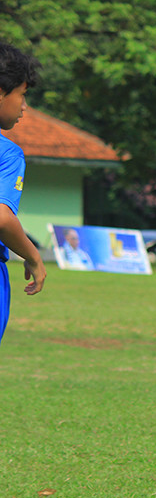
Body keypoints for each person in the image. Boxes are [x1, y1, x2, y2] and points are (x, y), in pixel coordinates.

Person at [0, 43, 46, 345]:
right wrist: (33, 256)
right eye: (22, 93)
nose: (24, 106)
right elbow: (2, 218)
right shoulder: (7, 154)